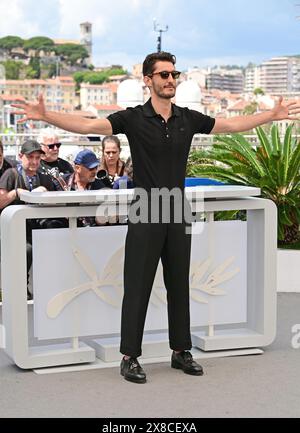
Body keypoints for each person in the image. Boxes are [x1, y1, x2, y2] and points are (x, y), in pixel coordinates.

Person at [12, 51, 300, 384]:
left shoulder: (187, 119)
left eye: (173, 74)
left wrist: (272, 115)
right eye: (163, 75)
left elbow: (231, 124)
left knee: (180, 283)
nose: (170, 80)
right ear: (148, 80)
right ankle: (129, 356)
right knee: (138, 285)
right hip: (146, 208)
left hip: (177, 208)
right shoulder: (134, 118)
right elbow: (90, 125)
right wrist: (48, 117)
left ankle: (181, 351)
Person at [0, 139, 55, 299]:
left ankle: (49, 286)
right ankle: (20, 289)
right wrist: (18, 192)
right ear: (21, 156)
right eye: (30, 157)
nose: (34, 162)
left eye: (38, 158)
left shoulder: (44, 178)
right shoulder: (12, 174)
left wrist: (45, 195)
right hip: (14, 231)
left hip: (37, 229)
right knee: (26, 249)